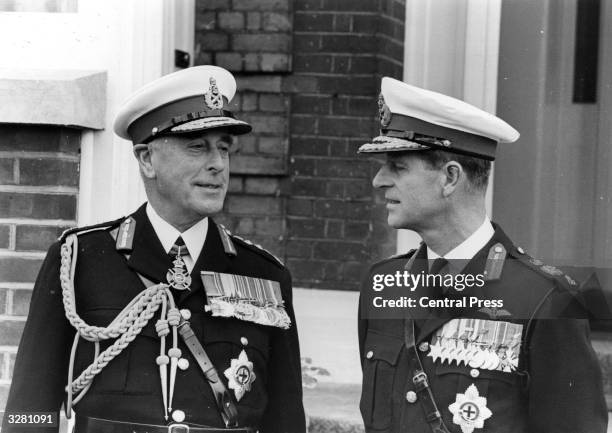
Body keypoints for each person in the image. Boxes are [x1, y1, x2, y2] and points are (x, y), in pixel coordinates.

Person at [3, 66, 305, 433]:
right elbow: (30, 409)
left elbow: (285, 420)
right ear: (146, 159)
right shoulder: (80, 259)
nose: (217, 164)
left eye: (223, 149)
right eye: (197, 147)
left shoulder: (263, 274)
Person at [357, 77, 607, 433]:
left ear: (450, 178)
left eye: (397, 167)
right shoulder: (382, 285)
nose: (379, 180)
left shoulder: (547, 300)